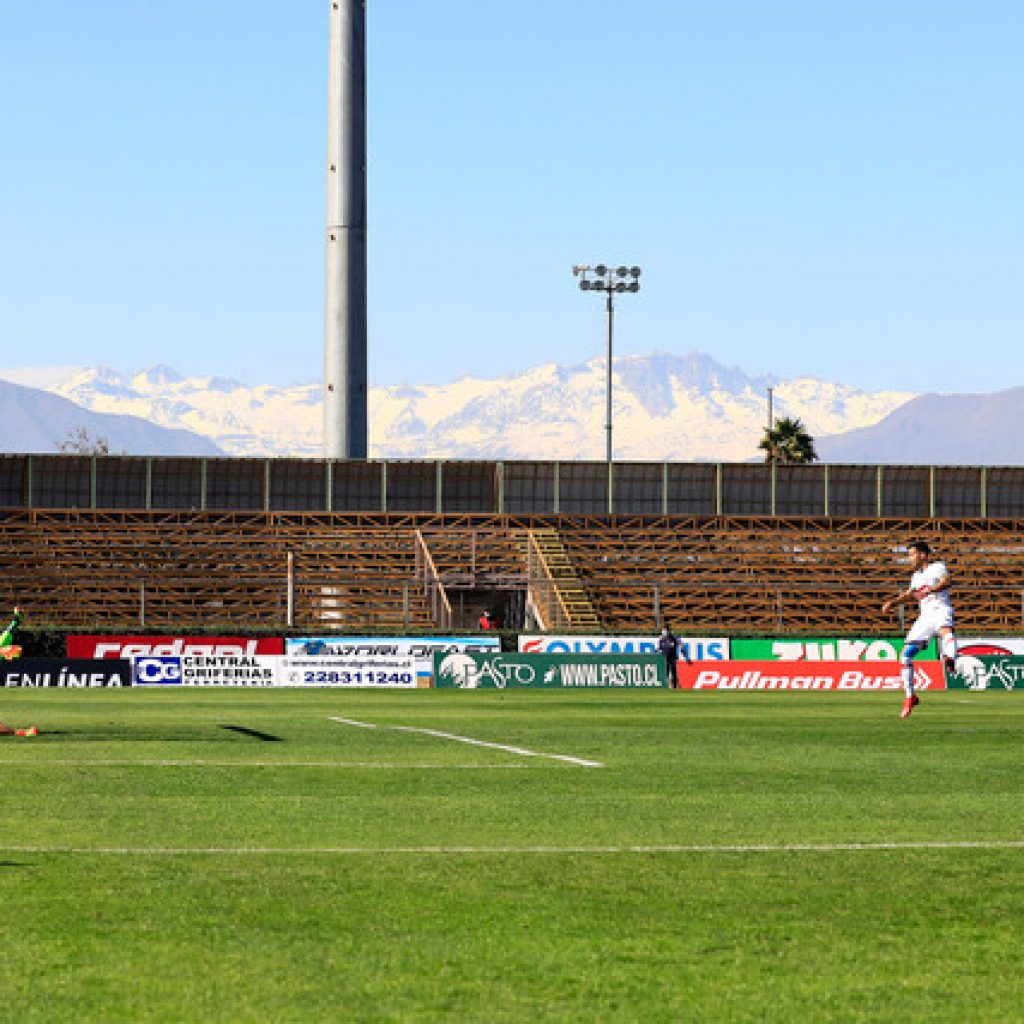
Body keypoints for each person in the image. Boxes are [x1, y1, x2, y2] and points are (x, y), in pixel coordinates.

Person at [882, 540, 958, 719]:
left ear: (923, 555)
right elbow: (910, 594)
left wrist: (930, 590)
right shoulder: (916, 576)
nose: (910, 558)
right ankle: (910, 697)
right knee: (905, 656)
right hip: (924, 617)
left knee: (946, 631)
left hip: (940, 609)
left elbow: (946, 582)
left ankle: (950, 658)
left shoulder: (937, 567)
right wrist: (893, 602)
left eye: (912, 554)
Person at [658, 624, 691, 689]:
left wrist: (685, 657)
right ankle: (666, 687)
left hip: (673, 659)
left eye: (665, 630)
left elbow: (682, 647)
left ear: (668, 631)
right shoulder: (661, 639)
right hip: (664, 659)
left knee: (674, 674)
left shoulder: (675, 638)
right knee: (665, 674)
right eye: (663, 630)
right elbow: (659, 649)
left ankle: (676, 687)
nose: (663, 632)